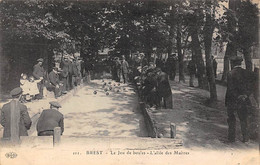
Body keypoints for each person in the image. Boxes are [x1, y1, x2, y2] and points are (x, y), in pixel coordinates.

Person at [225, 56, 254, 143]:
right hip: (244, 100)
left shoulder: (230, 73)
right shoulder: (247, 73)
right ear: (240, 63)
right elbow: (252, 86)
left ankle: (231, 138)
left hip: (232, 100)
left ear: (232, 63)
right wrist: (245, 95)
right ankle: (245, 138)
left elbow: (230, 88)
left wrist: (237, 96)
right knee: (244, 118)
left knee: (231, 118)